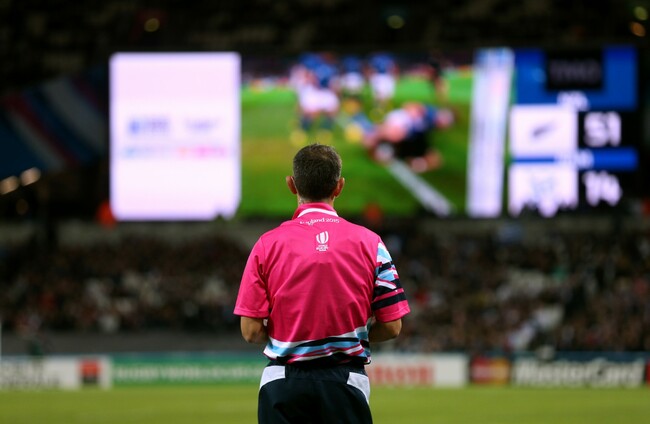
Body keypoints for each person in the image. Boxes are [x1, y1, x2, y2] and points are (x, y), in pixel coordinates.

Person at [234, 143, 411, 423]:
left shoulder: (266, 245)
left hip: (282, 383)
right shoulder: (372, 244)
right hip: (345, 383)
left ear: (291, 185)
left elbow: (251, 331)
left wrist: (290, 339)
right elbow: (391, 326)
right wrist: (349, 338)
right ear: (339, 187)